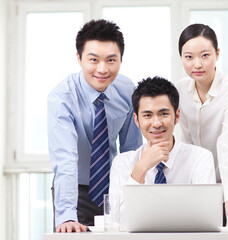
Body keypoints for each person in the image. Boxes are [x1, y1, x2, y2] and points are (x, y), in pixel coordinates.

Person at [47, 19, 142, 233]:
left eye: (111, 60)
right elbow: (66, 159)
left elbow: (132, 150)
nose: (102, 69)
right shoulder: (61, 98)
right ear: (79, 58)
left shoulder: (127, 91)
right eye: (93, 60)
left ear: (120, 60)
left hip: (114, 188)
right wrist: (67, 215)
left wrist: (135, 198)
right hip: (75, 191)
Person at [176, 23, 228, 223]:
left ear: (217, 54)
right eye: (189, 57)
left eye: (205, 55)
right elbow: (185, 141)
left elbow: (227, 146)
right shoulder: (180, 89)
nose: (197, 64)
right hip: (200, 183)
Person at [109, 76, 216, 218]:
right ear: (136, 120)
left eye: (163, 114)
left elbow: (207, 215)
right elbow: (116, 220)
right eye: (147, 115)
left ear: (177, 116)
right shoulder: (122, 163)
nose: (156, 123)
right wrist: (140, 169)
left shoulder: (200, 159)